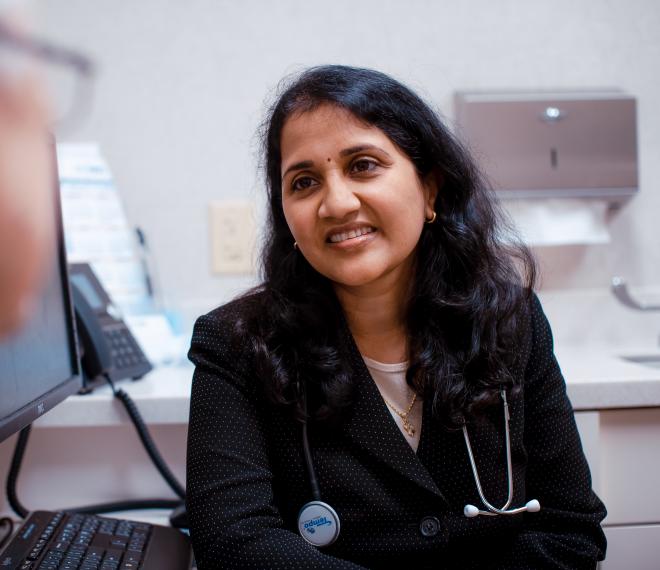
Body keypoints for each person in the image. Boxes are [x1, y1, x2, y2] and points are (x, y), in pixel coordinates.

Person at [186, 65, 607, 569]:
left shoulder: (512, 324)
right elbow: (234, 545)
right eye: (304, 181)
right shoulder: (235, 345)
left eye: (363, 165)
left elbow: (571, 531)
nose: (336, 202)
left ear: (430, 188)